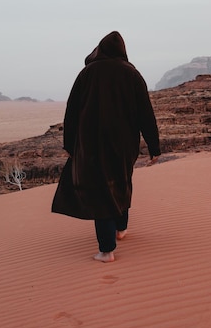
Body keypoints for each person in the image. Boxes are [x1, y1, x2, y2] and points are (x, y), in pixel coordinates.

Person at [51, 31, 161, 262]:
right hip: (124, 144)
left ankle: (106, 249)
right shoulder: (132, 74)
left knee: (100, 190)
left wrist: (69, 144)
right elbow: (146, 114)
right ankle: (121, 228)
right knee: (121, 181)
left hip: (92, 144)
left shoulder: (87, 73)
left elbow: (71, 112)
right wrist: (154, 147)